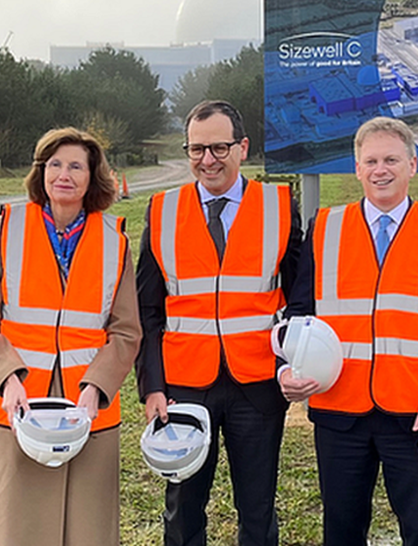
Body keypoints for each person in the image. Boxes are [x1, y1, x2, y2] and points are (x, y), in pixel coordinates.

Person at [280, 116, 418, 546]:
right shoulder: (325, 227)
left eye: (390, 159)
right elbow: (298, 311)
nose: (380, 170)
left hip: (415, 412)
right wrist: (287, 370)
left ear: (413, 164)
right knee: (342, 531)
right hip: (338, 411)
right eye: (370, 161)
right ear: (356, 168)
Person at [135, 100, 302, 546]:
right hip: (185, 385)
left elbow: (302, 298)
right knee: (184, 507)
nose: (208, 160)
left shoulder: (280, 205)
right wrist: (152, 384)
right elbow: (147, 309)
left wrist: (296, 362)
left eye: (219, 148)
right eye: (196, 149)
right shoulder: (162, 210)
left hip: (259, 381)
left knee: (257, 507)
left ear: (243, 147)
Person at [0, 127, 142, 546]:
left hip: (87, 411)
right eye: (54, 164)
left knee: (88, 529)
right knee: (13, 528)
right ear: (40, 172)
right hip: (18, 405)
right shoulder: (6, 228)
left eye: (76, 165)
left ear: (93, 175)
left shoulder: (114, 240)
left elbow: (126, 330)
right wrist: (8, 379)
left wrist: (95, 389)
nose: (64, 174)